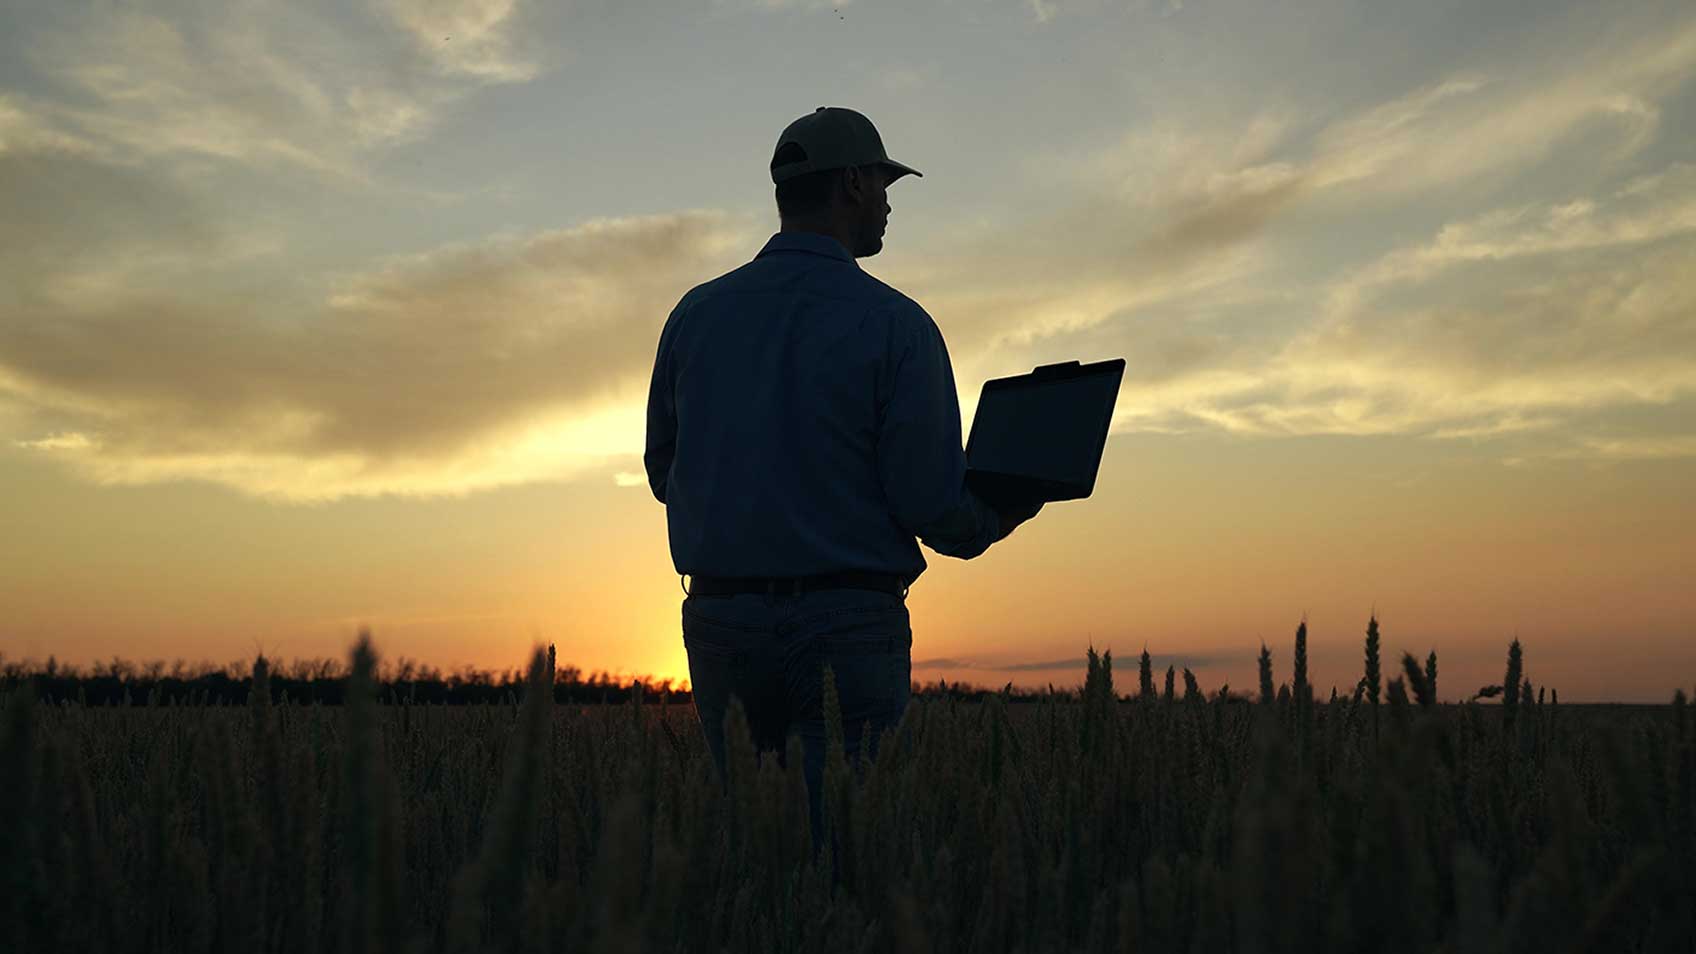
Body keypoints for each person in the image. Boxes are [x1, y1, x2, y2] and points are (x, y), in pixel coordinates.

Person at [643, 106, 1043, 856]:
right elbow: (932, 504)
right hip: (847, 626)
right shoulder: (897, 326)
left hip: (722, 626)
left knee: (756, 865)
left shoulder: (693, 317)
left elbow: (665, 472)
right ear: (853, 184)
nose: (891, 201)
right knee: (843, 863)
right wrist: (1004, 510)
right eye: (886, 183)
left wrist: (753, 496)